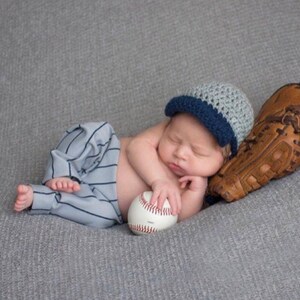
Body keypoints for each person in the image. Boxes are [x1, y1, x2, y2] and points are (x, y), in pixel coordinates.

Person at [14, 82, 254, 228]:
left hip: (107, 203)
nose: (180, 153)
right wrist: (158, 180)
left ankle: (42, 198)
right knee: (96, 131)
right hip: (105, 155)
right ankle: (61, 172)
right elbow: (137, 146)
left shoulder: (194, 184)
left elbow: (180, 218)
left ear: (224, 159)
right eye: (174, 139)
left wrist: (197, 190)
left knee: (98, 218)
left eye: (198, 152)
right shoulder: (167, 129)